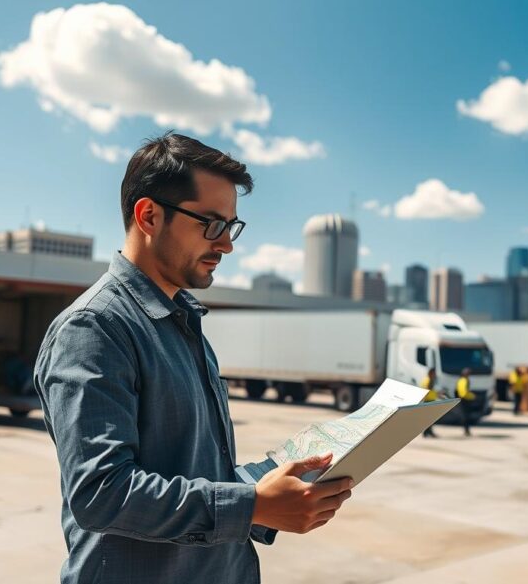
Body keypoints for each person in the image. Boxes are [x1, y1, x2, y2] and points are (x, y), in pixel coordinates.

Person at [33, 133, 353, 584]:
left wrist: (281, 487)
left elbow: (197, 471)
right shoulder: (94, 329)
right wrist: (255, 505)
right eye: (212, 224)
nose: (227, 245)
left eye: (231, 227)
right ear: (149, 216)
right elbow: (102, 493)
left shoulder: (184, 323)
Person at [455, 367, 475, 437]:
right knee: (466, 416)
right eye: (468, 373)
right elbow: (464, 392)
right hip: (465, 400)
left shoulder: (460, 380)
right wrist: (472, 396)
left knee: (465, 415)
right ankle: (466, 430)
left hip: (462, 399)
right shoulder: (465, 380)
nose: (469, 374)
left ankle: (466, 430)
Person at [421, 368, 439, 438]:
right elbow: (428, 391)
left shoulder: (426, 379)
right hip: (429, 400)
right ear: (431, 373)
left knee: (429, 418)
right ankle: (427, 432)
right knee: (430, 418)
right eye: (434, 373)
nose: (435, 375)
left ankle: (428, 432)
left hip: (427, 400)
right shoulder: (429, 380)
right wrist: (436, 394)